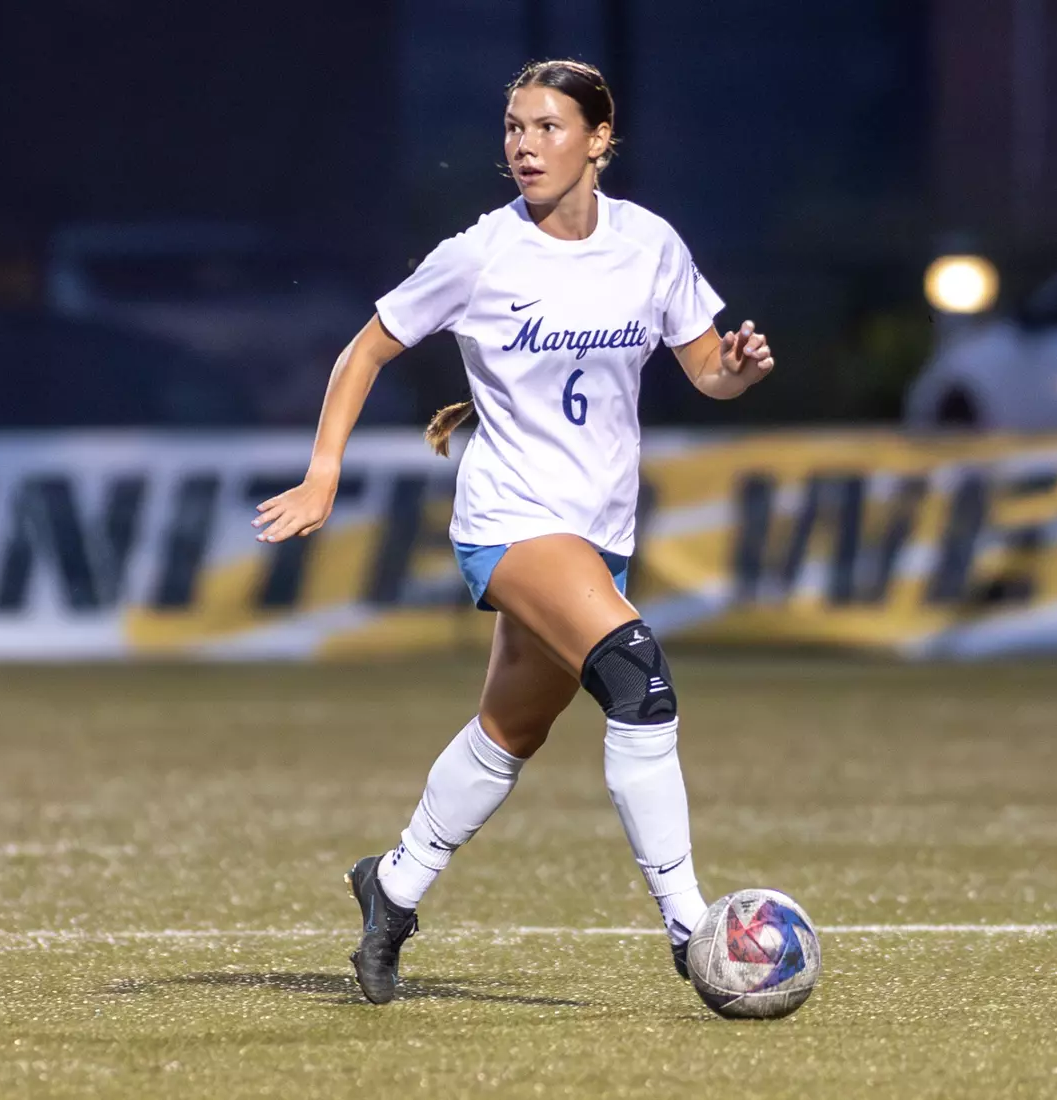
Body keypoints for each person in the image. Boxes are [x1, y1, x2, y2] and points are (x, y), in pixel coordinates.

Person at [252, 59, 774, 1004]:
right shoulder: (483, 253)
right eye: (513, 130)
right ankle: (691, 927)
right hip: (510, 519)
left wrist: (738, 367)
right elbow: (368, 346)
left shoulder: (649, 244)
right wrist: (323, 472)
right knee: (637, 678)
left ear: (599, 140)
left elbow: (706, 371)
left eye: (547, 128)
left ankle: (393, 886)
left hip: (597, 528)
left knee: (510, 731)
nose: (524, 146)